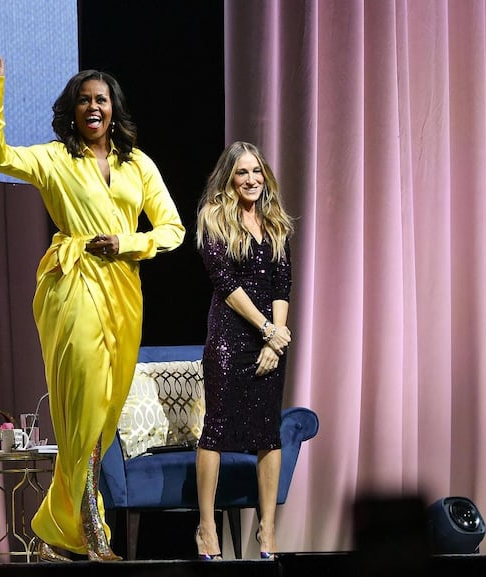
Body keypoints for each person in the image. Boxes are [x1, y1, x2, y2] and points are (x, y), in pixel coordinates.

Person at [0, 41, 185, 561]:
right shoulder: (54, 159)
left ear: (114, 110)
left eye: (102, 100)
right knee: (84, 406)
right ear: (73, 110)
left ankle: (50, 533)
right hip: (73, 282)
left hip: (124, 290)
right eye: (84, 100)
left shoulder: (139, 166)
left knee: (104, 414)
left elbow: (173, 229)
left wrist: (131, 243)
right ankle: (93, 532)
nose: (94, 107)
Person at [194, 141, 294, 560]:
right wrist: (268, 329)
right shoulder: (213, 219)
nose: (251, 180)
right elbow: (226, 285)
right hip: (229, 339)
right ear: (228, 179)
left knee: (268, 436)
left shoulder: (275, 223)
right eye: (242, 173)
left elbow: (281, 285)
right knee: (215, 431)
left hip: (270, 339)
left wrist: (278, 336)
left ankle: (267, 532)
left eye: (256, 172)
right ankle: (206, 529)